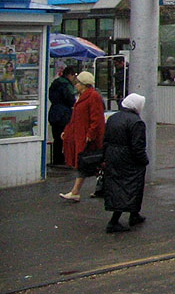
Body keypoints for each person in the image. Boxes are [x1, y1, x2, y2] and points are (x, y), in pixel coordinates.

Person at [101, 93, 149, 233]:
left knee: (117, 186)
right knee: (131, 187)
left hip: (112, 155)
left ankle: (133, 214)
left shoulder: (113, 118)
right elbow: (137, 146)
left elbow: (106, 139)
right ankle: (115, 220)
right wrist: (144, 160)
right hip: (129, 158)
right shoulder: (136, 122)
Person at [59, 71, 105, 202]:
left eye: (78, 82)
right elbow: (75, 118)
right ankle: (97, 189)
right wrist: (67, 131)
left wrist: (91, 134)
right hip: (81, 135)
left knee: (85, 162)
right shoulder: (83, 96)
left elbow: (96, 118)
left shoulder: (92, 96)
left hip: (87, 137)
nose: (76, 85)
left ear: (84, 84)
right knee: (90, 163)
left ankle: (75, 192)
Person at [47, 64, 78, 166]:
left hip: (53, 113)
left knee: (56, 138)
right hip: (63, 114)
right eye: (74, 76)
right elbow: (70, 100)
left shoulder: (55, 83)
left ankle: (56, 159)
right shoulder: (66, 85)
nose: (74, 79)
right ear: (70, 75)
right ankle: (62, 159)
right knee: (64, 136)